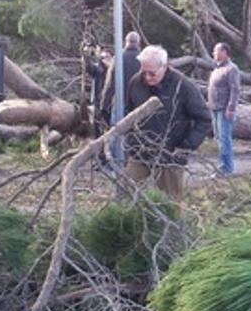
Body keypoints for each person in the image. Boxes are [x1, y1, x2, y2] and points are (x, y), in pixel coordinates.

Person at [123, 45, 211, 199]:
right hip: (140, 151)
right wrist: (131, 139)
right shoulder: (136, 82)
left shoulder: (183, 86)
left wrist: (187, 145)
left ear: (164, 67)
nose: (147, 78)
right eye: (144, 72)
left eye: (152, 73)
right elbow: (129, 112)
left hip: (170, 155)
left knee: (170, 201)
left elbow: (204, 118)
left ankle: (169, 223)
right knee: (127, 193)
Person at [206, 42, 241, 176]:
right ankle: (222, 165)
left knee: (225, 138)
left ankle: (226, 168)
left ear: (224, 53)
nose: (213, 53)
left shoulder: (232, 69)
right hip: (214, 108)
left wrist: (230, 108)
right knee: (218, 138)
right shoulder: (216, 69)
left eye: (216, 51)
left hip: (224, 109)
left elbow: (235, 90)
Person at [98, 31, 142, 126]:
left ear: (126, 42)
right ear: (138, 43)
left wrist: (104, 106)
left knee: (117, 136)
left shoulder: (118, 58)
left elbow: (110, 85)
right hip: (139, 105)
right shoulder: (143, 59)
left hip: (120, 105)